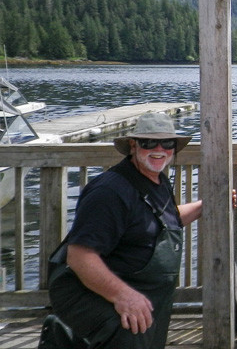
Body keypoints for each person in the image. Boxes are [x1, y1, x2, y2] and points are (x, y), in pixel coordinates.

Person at [38, 112, 201, 349]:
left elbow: (161, 223)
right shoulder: (109, 192)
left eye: (167, 143)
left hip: (142, 295)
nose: (159, 149)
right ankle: (62, 333)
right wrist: (123, 296)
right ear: (133, 146)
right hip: (98, 294)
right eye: (148, 143)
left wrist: (204, 206)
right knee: (130, 330)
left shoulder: (156, 179)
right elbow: (80, 256)